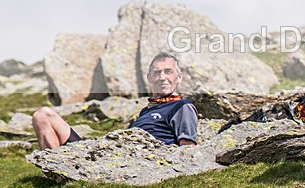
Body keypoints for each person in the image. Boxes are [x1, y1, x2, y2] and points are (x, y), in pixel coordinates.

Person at [32, 52, 198, 149]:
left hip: (138, 162)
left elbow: (188, 150)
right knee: (42, 116)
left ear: (179, 77)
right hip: (108, 154)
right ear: (149, 78)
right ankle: (55, 168)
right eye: (157, 73)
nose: (162, 77)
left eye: (168, 72)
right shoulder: (145, 111)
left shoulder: (181, 106)